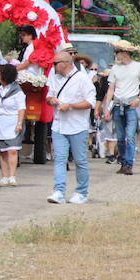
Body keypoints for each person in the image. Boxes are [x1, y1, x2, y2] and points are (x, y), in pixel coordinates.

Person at [46, 49, 97, 204]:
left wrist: (71, 106)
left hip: (77, 126)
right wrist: (52, 100)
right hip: (59, 125)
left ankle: (81, 191)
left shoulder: (82, 78)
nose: (53, 66)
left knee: (80, 160)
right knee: (59, 159)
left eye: (55, 63)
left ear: (65, 64)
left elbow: (90, 102)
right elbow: (49, 96)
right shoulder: (54, 77)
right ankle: (58, 191)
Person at [101, 39, 140, 175]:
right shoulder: (115, 68)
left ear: (124, 52)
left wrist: (139, 98)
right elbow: (111, 89)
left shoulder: (138, 66)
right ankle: (123, 162)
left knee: (130, 136)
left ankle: (128, 164)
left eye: (116, 52)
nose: (115, 54)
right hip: (118, 105)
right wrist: (106, 109)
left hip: (131, 105)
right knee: (121, 137)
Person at [0, 63, 23, 186]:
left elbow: (21, 108)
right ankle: (4, 176)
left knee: (12, 150)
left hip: (12, 122)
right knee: (2, 151)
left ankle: (12, 176)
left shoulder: (17, 91)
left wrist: (19, 123)